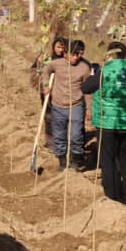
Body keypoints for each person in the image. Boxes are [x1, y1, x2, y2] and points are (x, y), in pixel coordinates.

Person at [82, 42, 126, 209]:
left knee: (108, 161)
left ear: (109, 54)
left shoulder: (104, 72)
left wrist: (94, 76)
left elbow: (86, 88)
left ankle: (112, 197)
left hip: (106, 124)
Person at [42, 40, 92, 171]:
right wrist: (46, 85)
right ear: (66, 53)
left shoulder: (84, 68)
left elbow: (87, 90)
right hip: (57, 106)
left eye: (80, 54)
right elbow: (46, 71)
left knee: (76, 136)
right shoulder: (56, 64)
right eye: (74, 54)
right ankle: (62, 162)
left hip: (75, 106)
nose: (77, 57)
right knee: (59, 136)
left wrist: (89, 108)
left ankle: (75, 162)